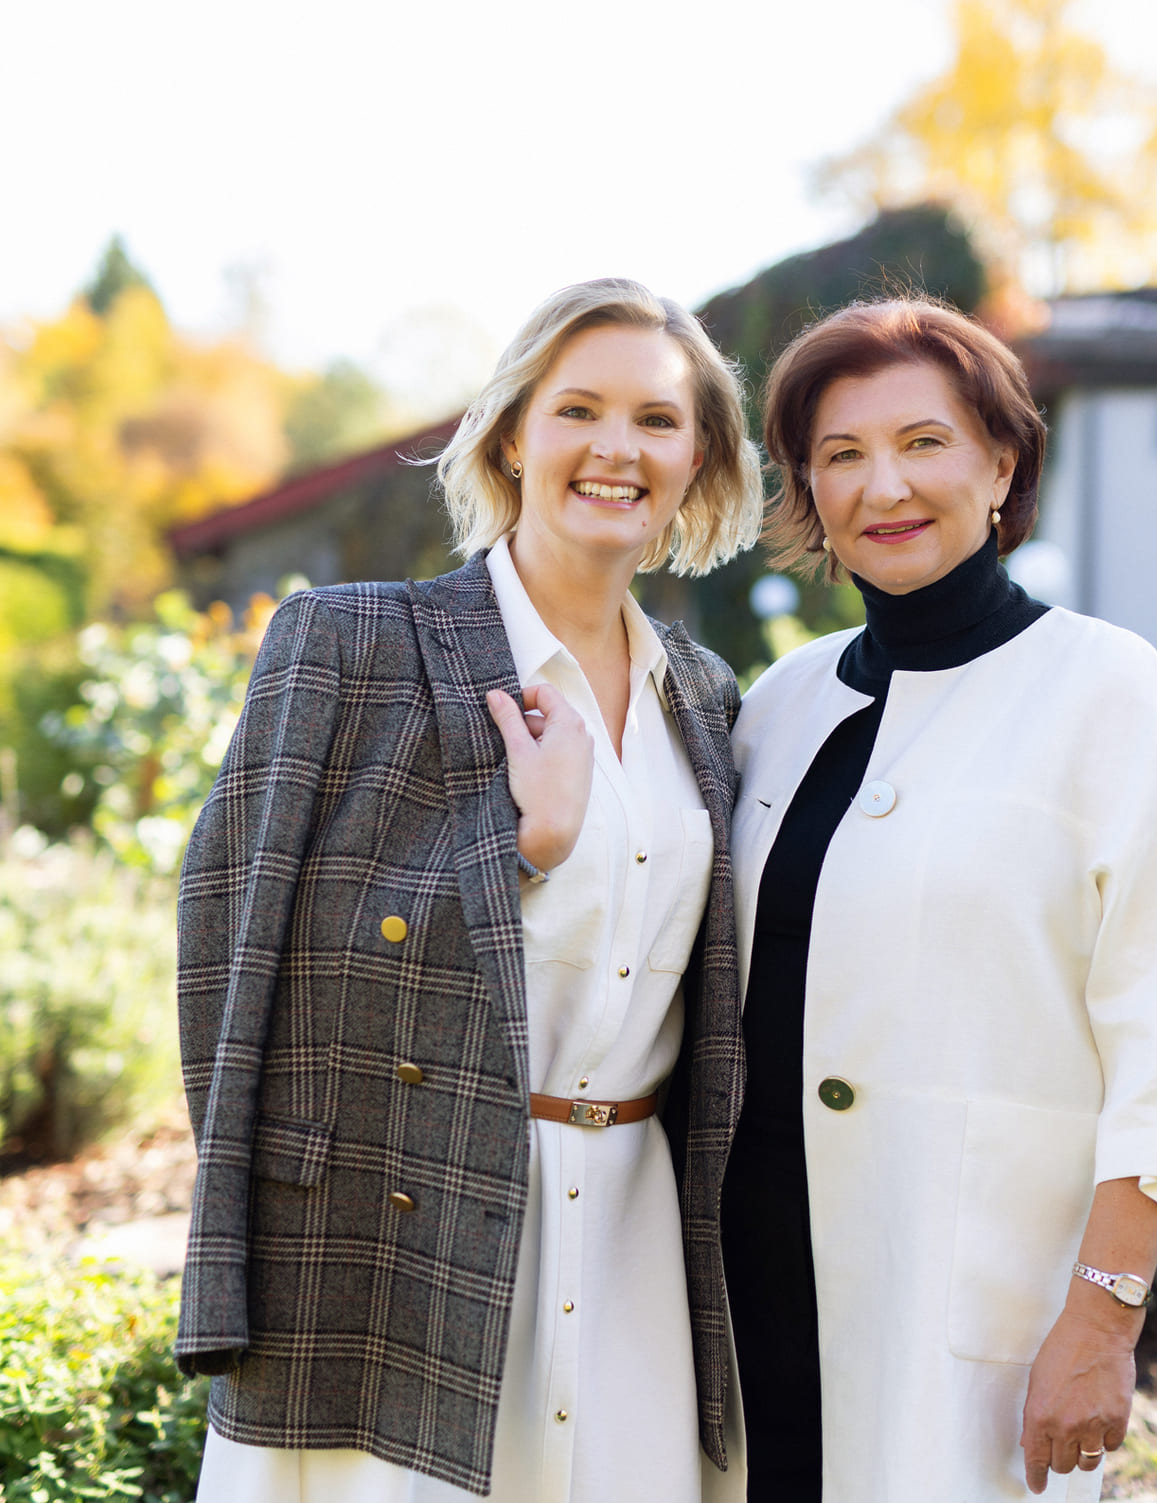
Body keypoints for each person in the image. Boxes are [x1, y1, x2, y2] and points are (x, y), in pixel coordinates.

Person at [175, 278, 763, 1502]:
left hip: (634, 1246)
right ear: (508, 438)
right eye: (577, 410)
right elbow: (227, 949)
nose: (616, 449)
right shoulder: (351, 644)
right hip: (389, 1237)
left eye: (657, 420)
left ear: (698, 458)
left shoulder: (704, 698)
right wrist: (524, 846)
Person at [720, 297, 1157, 1503]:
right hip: (751, 1289)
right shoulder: (780, 702)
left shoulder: (1104, 691)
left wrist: (1102, 1319)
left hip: (973, 1309)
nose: (882, 485)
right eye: (840, 454)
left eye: (923, 442)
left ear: (1001, 463)